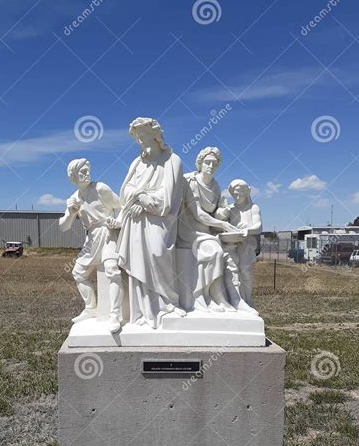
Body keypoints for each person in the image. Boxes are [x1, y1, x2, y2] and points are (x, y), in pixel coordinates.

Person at [117, 117, 186, 328]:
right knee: (137, 262)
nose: (140, 141)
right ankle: (142, 312)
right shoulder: (136, 163)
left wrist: (146, 201)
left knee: (158, 252)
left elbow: (171, 195)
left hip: (160, 219)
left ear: (155, 135)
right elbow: (125, 191)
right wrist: (137, 198)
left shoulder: (172, 161)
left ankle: (167, 302)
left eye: (143, 135)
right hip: (136, 220)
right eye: (137, 137)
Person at [59, 158, 123, 333]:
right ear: (73, 177)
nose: (86, 174)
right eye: (81, 172)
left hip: (108, 233)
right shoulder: (74, 199)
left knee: (111, 270)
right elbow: (64, 226)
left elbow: (122, 206)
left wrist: (117, 222)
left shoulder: (100, 188)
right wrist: (71, 213)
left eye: (87, 170)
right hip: (92, 238)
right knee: (78, 272)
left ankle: (115, 315)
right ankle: (90, 308)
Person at [178, 147, 240, 312]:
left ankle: (218, 296)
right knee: (214, 252)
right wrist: (223, 225)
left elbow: (215, 214)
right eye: (207, 162)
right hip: (188, 231)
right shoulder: (190, 181)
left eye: (214, 163)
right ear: (200, 163)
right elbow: (197, 213)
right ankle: (202, 296)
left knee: (223, 252)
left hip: (207, 231)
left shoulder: (216, 186)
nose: (210, 166)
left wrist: (223, 213)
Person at [215, 179, 262, 312]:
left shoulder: (253, 208)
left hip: (247, 245)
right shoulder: (231, 208)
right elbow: (221, 220)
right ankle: (236, 299)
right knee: (231, 271)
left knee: (245, 272)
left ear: (247, 192)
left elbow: (258, 226)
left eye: (240, 194)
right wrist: (222, 211)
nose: (237, 197)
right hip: (232, 244)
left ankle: (247, 299)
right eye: (234, 194)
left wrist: (248, 230)